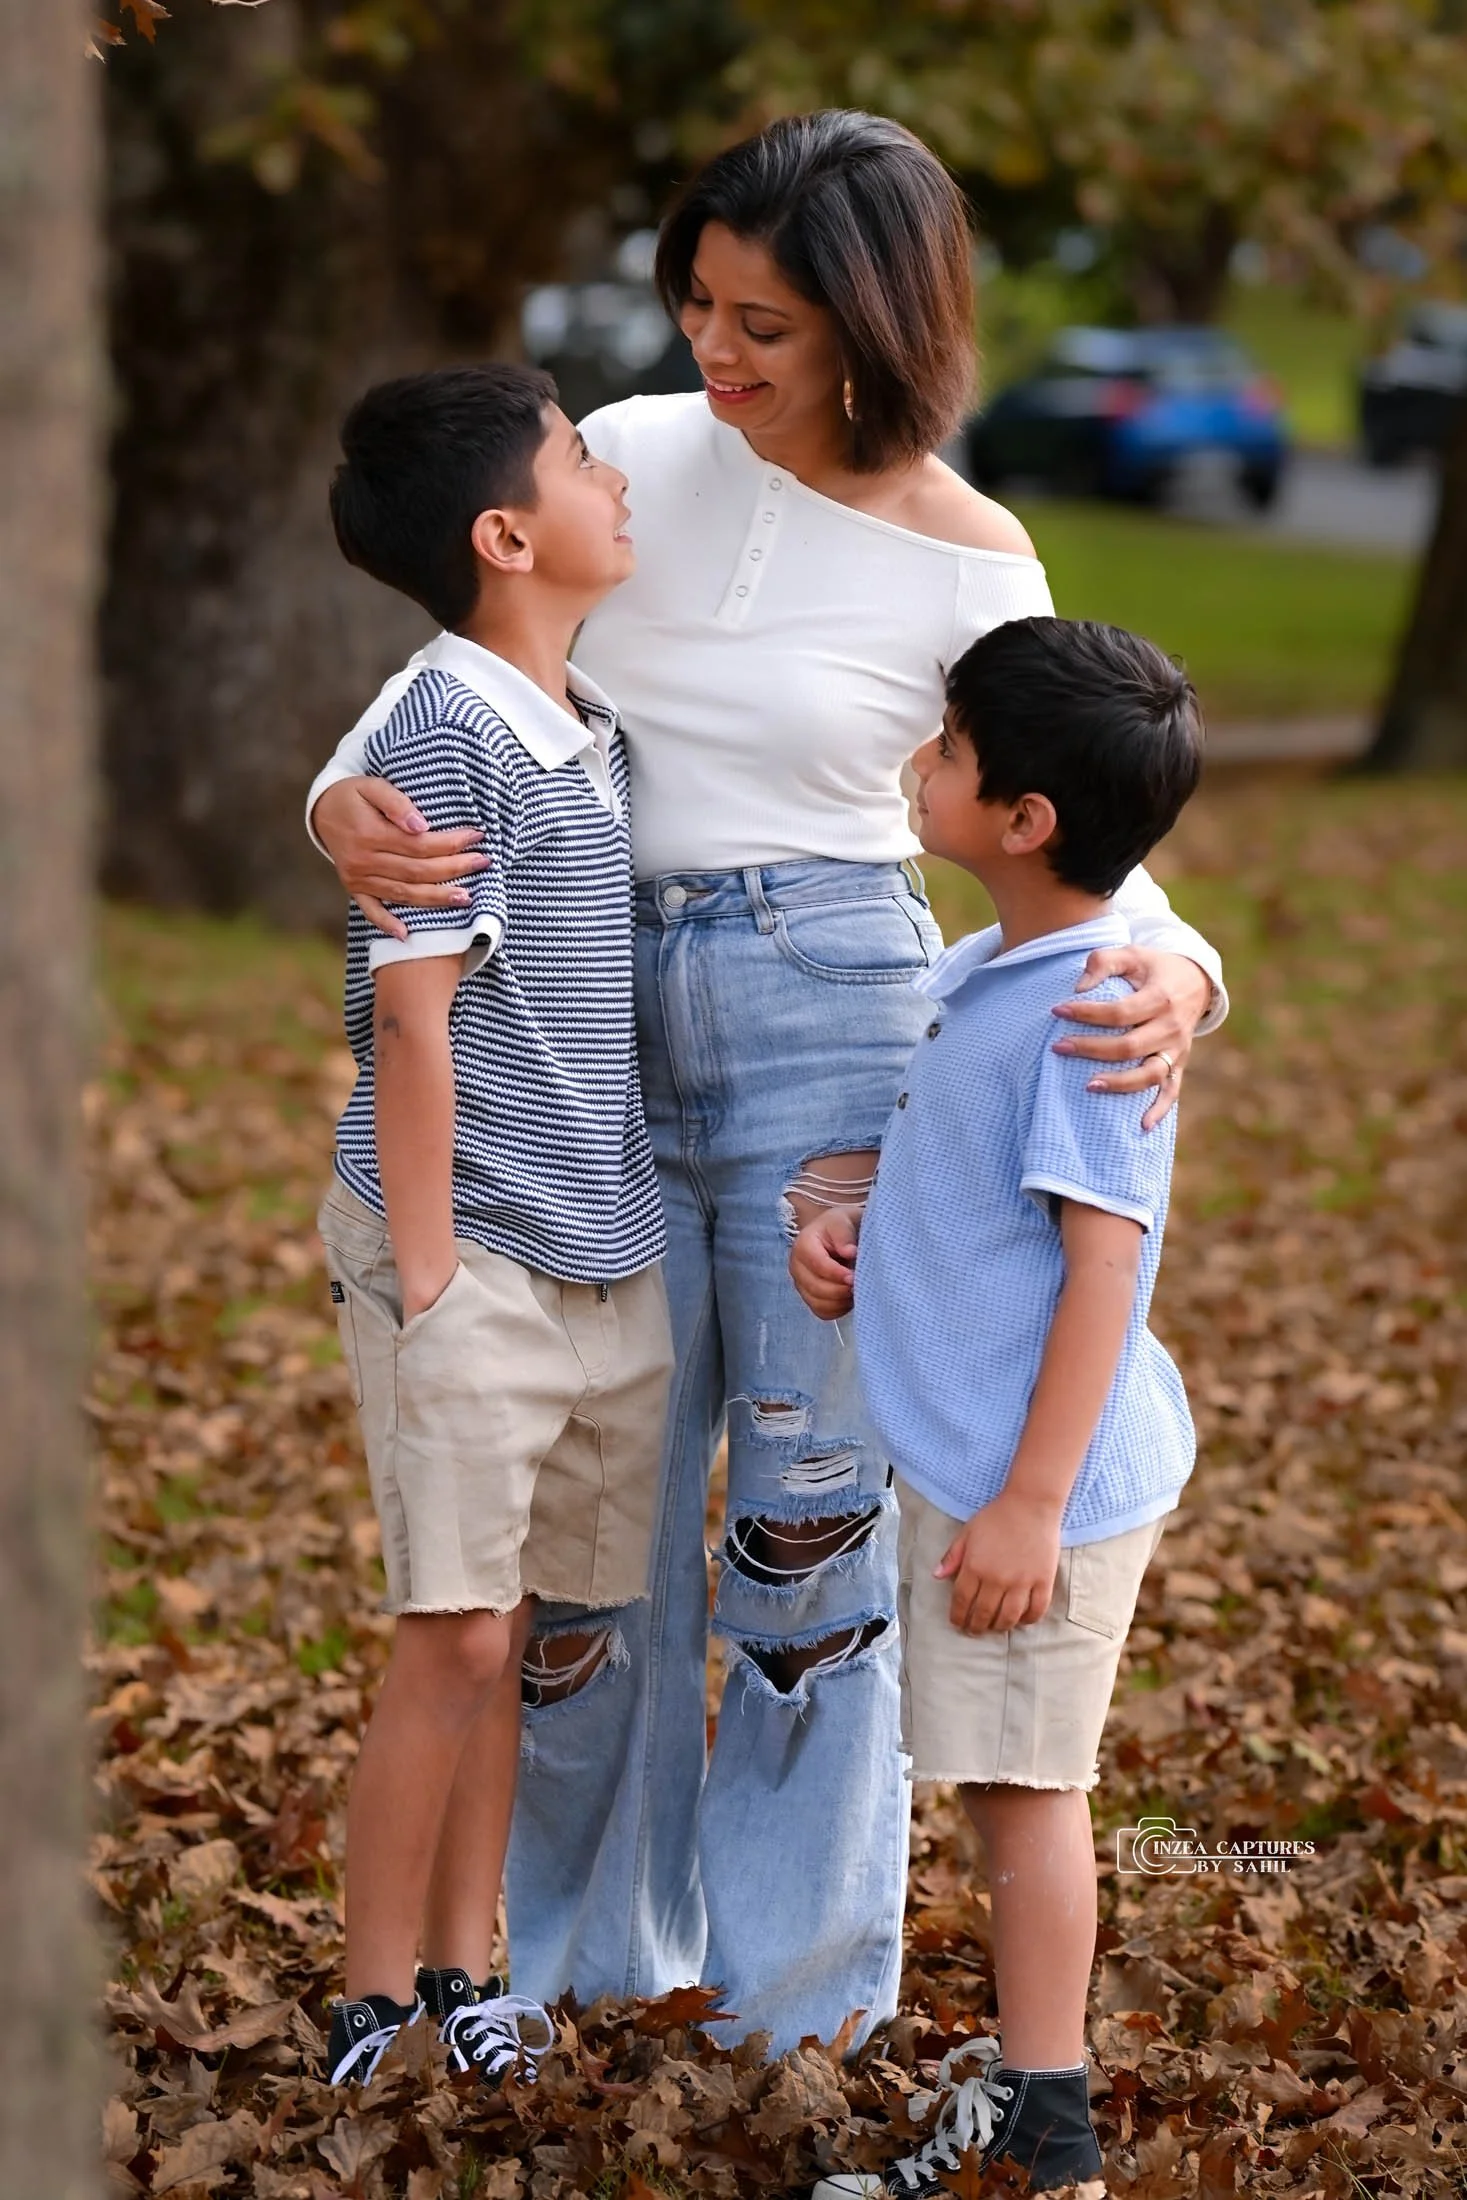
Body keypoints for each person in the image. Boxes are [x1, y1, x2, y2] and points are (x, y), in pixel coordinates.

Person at [306, 111, 1227, 2052]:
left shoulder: (978, 556)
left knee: (800, 1535)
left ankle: (793, 2009)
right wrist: (338, 812)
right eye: (700, 307)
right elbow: (446, 690)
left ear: (882, 331)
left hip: (830, 1025)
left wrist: (1185, 973)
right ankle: (565, 1967)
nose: (715, 358)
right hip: (570, 1022)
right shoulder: (626, 456)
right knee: (589, 1533)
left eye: (769, 328)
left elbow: (1103, 825)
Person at [792, 615, 1202, 2197]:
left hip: (1039, 1478)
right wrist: (860, 1235)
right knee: (994, 1779)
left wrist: (1028, 1501)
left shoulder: (1094, 1009)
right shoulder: (993, 969)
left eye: (950, 751)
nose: (921, 762)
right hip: (982, 1456)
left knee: (1030, 1792)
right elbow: (978, 1199)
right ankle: (1034, 2092)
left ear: (1024, 820)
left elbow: (1106, 1267)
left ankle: (1052, 2139)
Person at [313, 364, 673, 2089]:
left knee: (520, 1626)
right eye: (583, 461)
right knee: (451, 1628)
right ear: (506, 533)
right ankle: (373, 1996)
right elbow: (412, 1020)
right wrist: (439, 1277)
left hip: (597, 1244)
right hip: (468, 1251)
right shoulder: (448, 734)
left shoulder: (580, 720)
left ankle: (470, 1972)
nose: (618, 478)